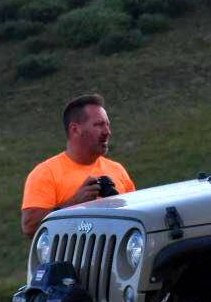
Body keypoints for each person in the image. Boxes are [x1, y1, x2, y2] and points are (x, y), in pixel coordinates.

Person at [21, 93, 136, 238]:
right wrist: (74, 204)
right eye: (98, 125)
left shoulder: (117, 170)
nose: (107, 132)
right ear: (75, 129)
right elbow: (30, 227)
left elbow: (136, 216)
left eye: (107, 124)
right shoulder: (45, 173)